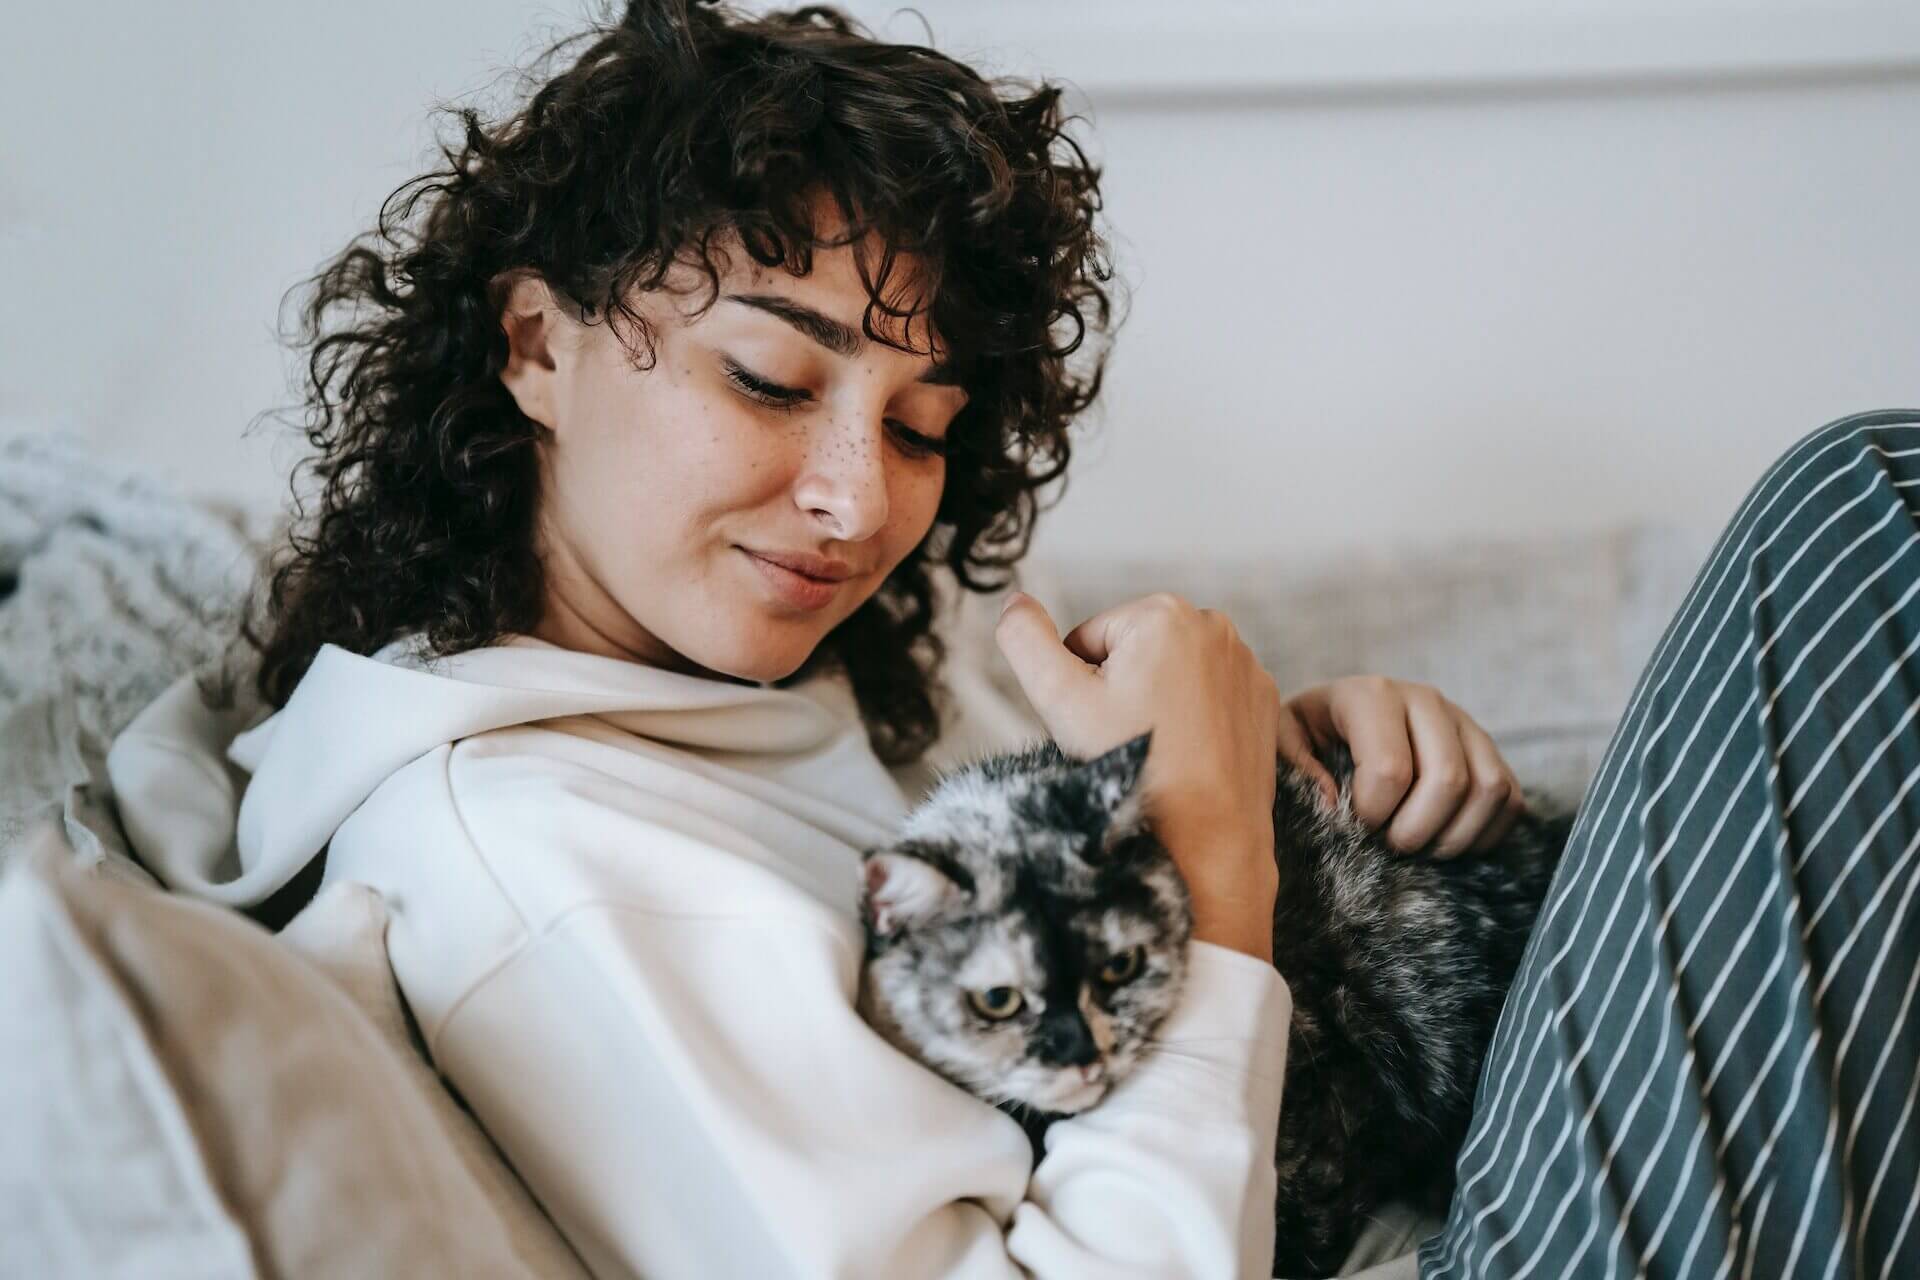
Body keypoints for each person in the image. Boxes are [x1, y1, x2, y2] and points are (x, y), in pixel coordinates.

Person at [103, 4, 1527, 1278]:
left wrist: (1307, 786)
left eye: (921, 430)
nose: (857, 501)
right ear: (535, 345)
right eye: (771, 380)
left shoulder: (778, 672)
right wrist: (1218, 861)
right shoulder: (545, 867)